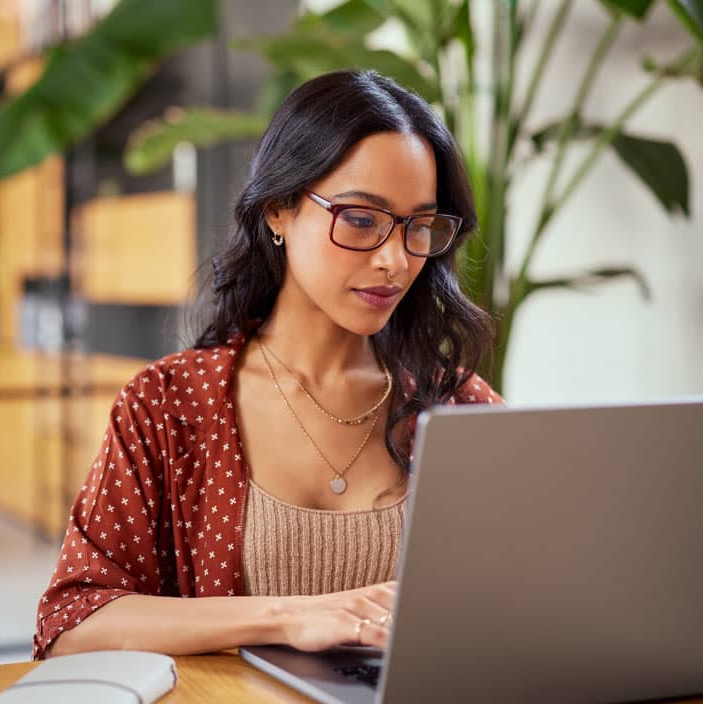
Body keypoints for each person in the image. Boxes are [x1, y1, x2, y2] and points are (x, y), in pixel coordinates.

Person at [33, 70, 502, 660]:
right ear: (279, 209)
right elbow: (71, 623)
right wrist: (286, 617)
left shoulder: (460, 407)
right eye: (361, 219)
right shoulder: (170, 405)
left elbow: (532, 594)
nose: (395, 260)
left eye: (418, 227)